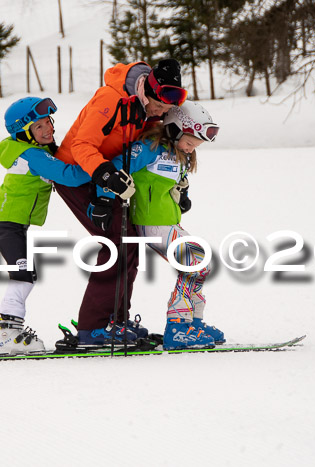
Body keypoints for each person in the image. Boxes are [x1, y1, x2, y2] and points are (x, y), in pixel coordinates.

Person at [52, 59, 189, 345]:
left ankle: (116, 320)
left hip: (108, 177)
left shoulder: (146, 108)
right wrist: (104, 176)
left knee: (129, 244)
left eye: (165, 110)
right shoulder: (110, 98)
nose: (161, 114)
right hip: (77, 174)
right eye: (159, 107)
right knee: (115, 243)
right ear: (146, 91)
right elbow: (81, 145)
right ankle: (93, 327)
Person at [89, 100, 223, 350]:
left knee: (201, 264)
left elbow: (175, 180)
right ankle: (178, 326)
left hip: (167, 222)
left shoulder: (178, 153)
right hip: (151, 223)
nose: (192, 149)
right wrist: (104, 199)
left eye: (196, 146)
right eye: (190, 143)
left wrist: (182, 194)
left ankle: (193, 322)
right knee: (195, 263)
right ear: (173, 129)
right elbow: (115, 169)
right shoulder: (148, 149)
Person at [0, 97, 95, 356]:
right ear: (25, 134)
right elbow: (68, 175)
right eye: (39, 126)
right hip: (9, 226)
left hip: (14, 225)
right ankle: (7, 334)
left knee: (27, 274)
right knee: (23, 275)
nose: (48, 128)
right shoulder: (32, 155)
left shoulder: (34, 150)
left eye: (48, 121)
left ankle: (10, 331)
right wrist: (100, 167)